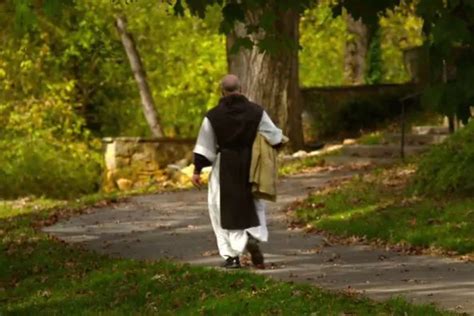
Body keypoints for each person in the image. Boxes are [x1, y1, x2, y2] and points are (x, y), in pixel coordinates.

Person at [192, 74, 283, 269]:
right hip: (251, 164)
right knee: (253, 203)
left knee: (219, 209)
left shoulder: (213, 116)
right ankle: (252, 235)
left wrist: (197, 169)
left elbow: (204, 146)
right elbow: (275, 137)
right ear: (241, 89)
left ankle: (232, 257)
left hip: (225, 163)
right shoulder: (256, 112)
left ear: (221, 91)